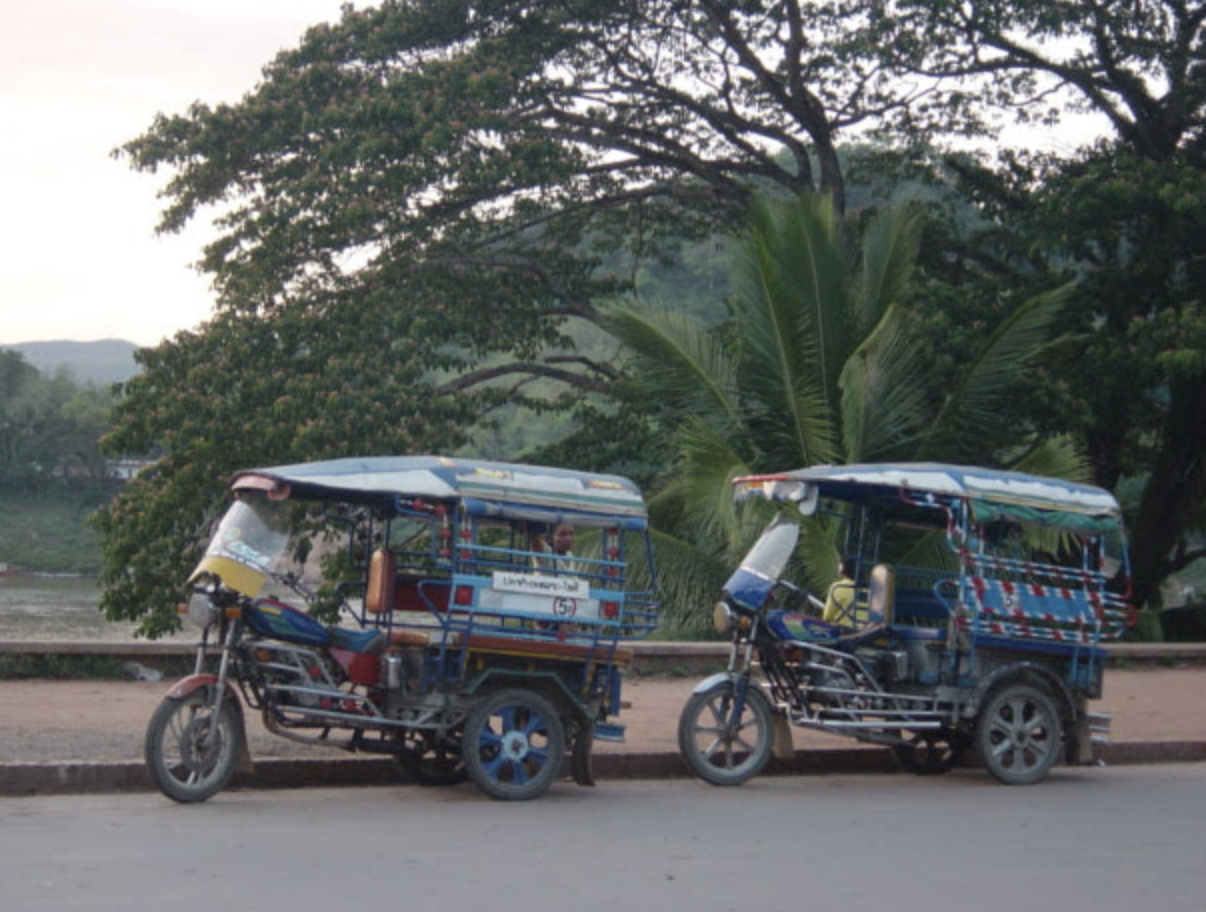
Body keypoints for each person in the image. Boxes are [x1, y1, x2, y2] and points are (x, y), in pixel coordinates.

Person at [822, 557, 858, 626]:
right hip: (865, 632)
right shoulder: (868, 591)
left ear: (841, 568)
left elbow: (827, 617)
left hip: (844, 633)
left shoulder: (837, 587)